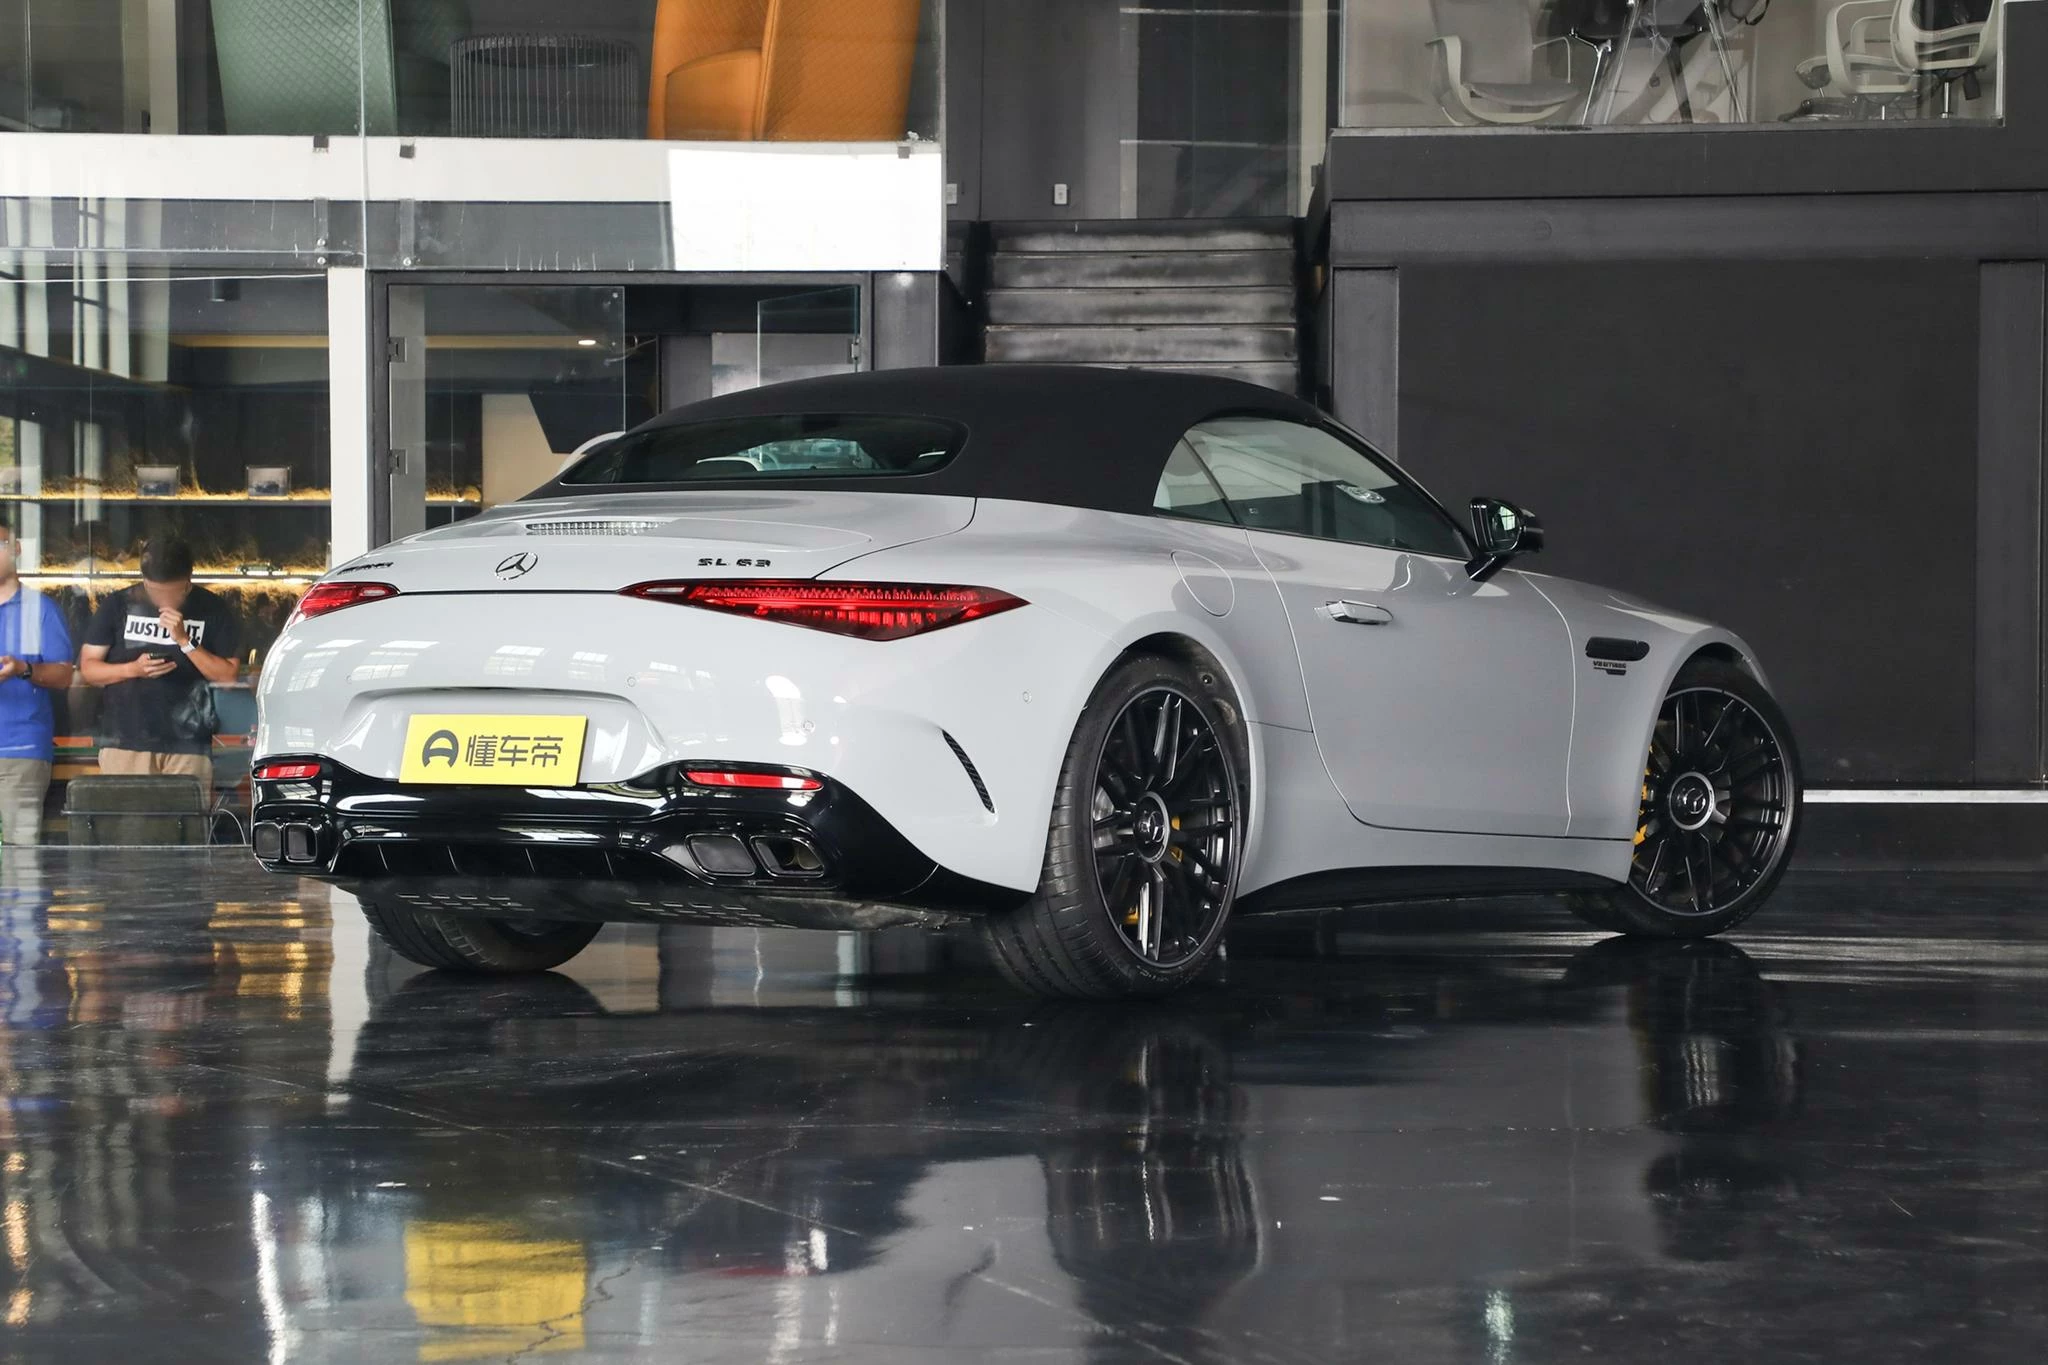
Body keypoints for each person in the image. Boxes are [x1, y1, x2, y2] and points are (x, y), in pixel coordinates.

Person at [79, 538, 241, 800]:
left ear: (188, 581)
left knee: (186, 821)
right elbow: (88, 669)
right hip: (126, 741)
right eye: (154, 590)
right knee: (128, 821)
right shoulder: (118, 604)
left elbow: (227, 676)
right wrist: (133, 669)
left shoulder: (213, 608)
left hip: (189, 744)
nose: (162, 599)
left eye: (171, 592)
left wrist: (185, 641)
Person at [0, 519, 75, 845]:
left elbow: (64, 675)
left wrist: (23, 668)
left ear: (16, 548)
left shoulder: (40, 609)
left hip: (22, 748)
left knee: (20, 852)